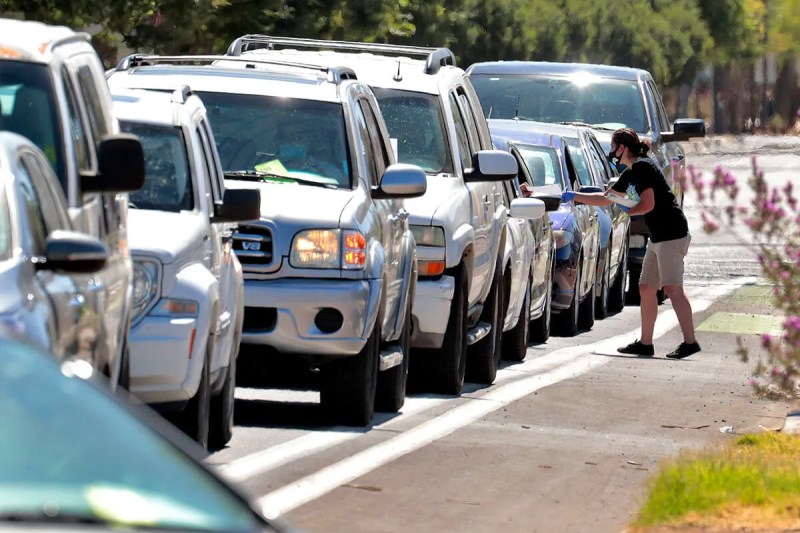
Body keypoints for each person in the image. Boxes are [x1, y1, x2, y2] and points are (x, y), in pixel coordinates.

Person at [560, 128, 700, 359]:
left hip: (671, 233)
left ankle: (690, 342)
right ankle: (646, 343)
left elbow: (649, 204)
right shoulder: (630, 173)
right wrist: (573, 196)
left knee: (673, 289)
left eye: (614, 147)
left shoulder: (643, 166)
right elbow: (606, 198)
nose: (612, 152)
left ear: (622, 147)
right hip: (658, 236)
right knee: (646, 287)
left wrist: (629, 210)